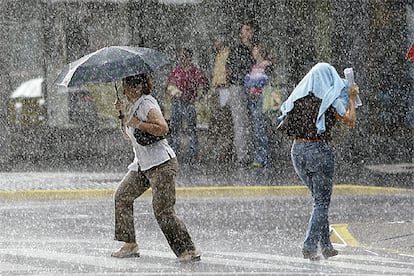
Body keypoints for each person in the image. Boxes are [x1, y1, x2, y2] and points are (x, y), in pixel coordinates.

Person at [112, 73, 200, 262]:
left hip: (161, 165)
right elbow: (130, 136)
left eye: (125, 85)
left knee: (163, 211)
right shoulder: (134, 106)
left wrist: (138, 123)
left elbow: (163, 128)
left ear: (136, 87)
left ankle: (188, 250)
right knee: (122, 196)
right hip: (142, 165)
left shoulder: (147, 104)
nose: (124, 90)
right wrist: (123, 116)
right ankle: (129, 244)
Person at [278, 63, 359, 261]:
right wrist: (351, 97)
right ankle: (309, 245)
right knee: (322, 202)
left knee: (318, 202)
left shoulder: (297, 99)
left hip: (297, 152)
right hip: (319, 150)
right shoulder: (329, 99)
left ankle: (327, 246)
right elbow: (350, 121)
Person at [166, 47, 209, 163]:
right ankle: (174, 153)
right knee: (176, 129)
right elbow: (169, 85)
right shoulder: (176, 71)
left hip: (189, 103)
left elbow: (204, 84)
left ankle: (192, 155)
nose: (182, 58)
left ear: (189, 57)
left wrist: (198, 96)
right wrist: (172, 92)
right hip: (177, 103)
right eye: (181, 55)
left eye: (184, 55)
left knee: (191, 130)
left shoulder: (195, 71)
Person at [226, 21, 257, 166]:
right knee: (240, 122)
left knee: (252, 121)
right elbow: (230, 69)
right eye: (246, 30)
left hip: (251, 88)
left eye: (250, 30)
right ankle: (243, 155)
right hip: (239, 87)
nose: (249, 33)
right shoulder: (237, 50)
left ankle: (250, 154)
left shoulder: (254, 49)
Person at [244, 43, 272, 167]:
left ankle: (263, 157)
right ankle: (259, 156)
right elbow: (247, 81)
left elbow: (263, 81)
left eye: (255, 50)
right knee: (256, 128)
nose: (253, 52)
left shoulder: (267, 65)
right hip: (254, 99)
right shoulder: (255, 67)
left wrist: (253, 82)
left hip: (262, 98)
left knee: (260, 128)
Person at [209, 35, 233, 163]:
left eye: (216, 41)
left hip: (224, 88)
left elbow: (227, 71)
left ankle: (226, 152)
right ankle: (220, 152)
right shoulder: (218, 55)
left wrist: (226, 85)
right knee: (217, 120)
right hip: (217, 88)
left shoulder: (227, 54)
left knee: (224, 120)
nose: (215, 44)